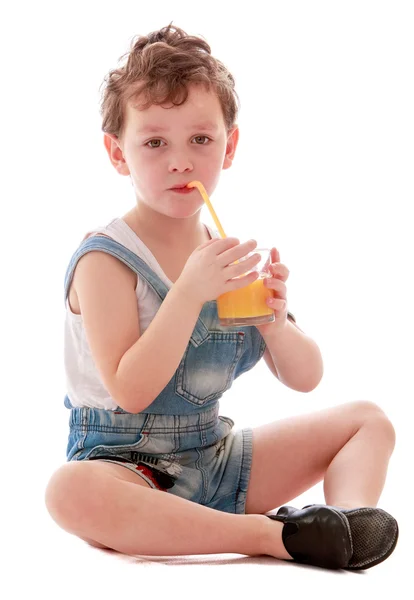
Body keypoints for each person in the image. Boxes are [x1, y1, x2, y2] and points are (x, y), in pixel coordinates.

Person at [44, 23, 398, 570]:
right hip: (125, 468)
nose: (180, 161)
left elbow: (306, 378)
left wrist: (277, 323)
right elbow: (132, 389)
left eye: (200, 140)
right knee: (68, 492)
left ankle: (342, 526)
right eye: (155, 142)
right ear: (118, 154)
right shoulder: (105, 261)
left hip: (213, 456)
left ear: (229, 146)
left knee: (369, 420)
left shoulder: (225, 256)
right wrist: (187, 293)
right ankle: (267, 536)